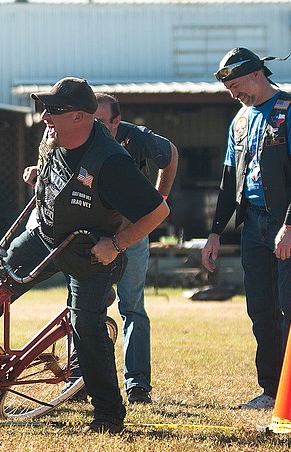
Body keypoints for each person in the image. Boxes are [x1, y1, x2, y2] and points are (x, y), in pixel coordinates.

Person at [0, 77, 169, 433]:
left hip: (90, 251)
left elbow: (157, 212)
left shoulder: (112, 163)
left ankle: (107, 413)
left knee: (85, 325)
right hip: (46, 236)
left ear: (80, 118)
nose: (44, 117)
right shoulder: (53, 138)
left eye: (54, 111)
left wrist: (116, 245)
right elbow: (51, 171)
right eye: (45, 109)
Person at [201, 48, 291, 410]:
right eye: (228, 88)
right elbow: (229, 180)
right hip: (252, 222)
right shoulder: (239, 121)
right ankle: (272, 390)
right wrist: (214, 233)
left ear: (257, 75)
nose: (233, 94)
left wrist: (290, 225)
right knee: (261, 307)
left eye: (236, 85)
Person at [92, 93, 177, 404]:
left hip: (134, 231)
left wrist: (160, 200)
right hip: (95, 233)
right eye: (90, 120)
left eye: (101, 122)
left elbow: (170, 153)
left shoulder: (138, 139)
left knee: (132, 307)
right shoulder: (81, 138)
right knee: (87, 307)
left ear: (118, 122)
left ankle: (137, 384)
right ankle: (79, 377)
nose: (94, 127)